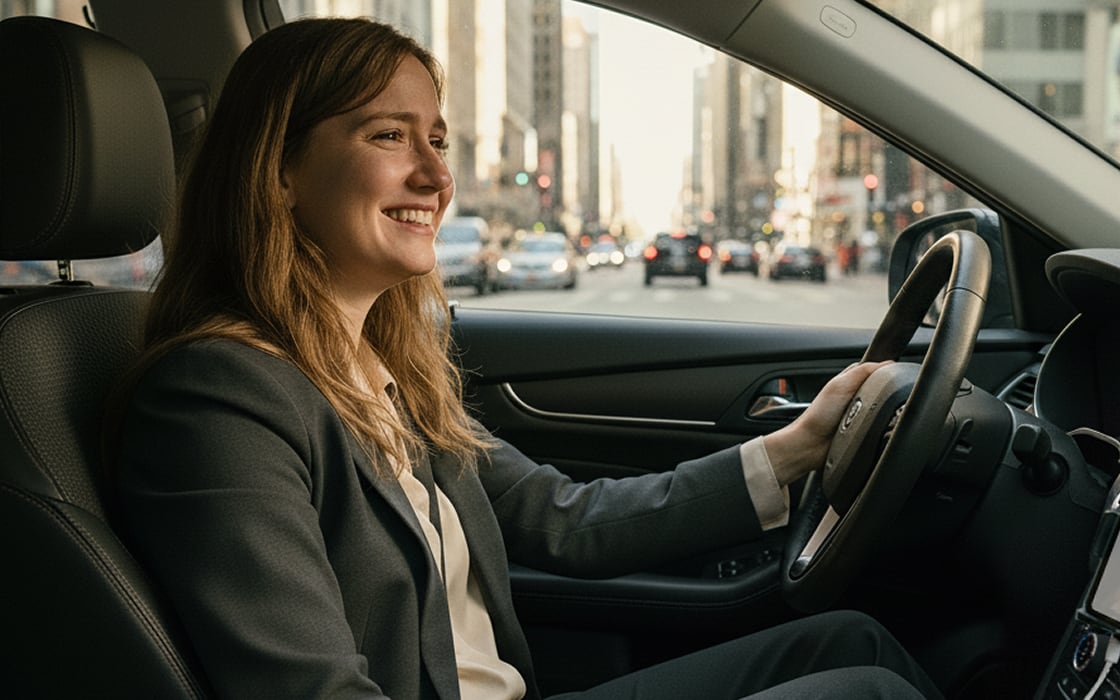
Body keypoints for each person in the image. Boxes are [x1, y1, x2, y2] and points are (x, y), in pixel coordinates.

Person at [111, 18, 942, 700]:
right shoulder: (220, 396)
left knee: (849, 642)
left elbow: (565, 519)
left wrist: (795, 449)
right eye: (390, 135)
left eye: (438, 139)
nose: (437, 174)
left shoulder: (383, 373)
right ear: (280, 170)